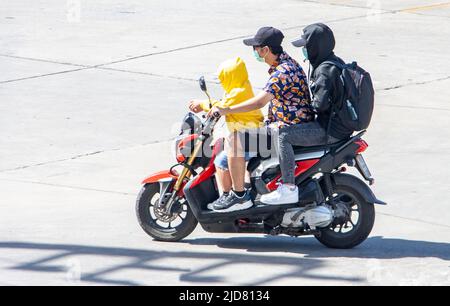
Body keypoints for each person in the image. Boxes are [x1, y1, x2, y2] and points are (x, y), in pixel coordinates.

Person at [208, 26, 314, 212]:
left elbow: (259, 102)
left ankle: (239, 196)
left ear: (266, 50)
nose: (255, 52)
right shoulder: (286, 65)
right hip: (285, 124)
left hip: (287, 128)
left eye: (256, 48)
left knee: (235, 140)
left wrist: (226, 109)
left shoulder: (282, 72)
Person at [260, 23, 354, 205]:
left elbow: (319, 105)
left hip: (329, 129)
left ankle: (288, 187)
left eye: (306, 46)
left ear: (315, 46)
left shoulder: (324, 71)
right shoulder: (333, 62)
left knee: (284, 135)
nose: (304, 50)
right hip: (338, 126)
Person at [188, 57, 264, 211]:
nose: (222, 81)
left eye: (223, 78)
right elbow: (222, 104)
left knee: (221, 162)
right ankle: (234, 193)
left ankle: (234, 196)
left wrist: (202, 104)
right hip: (252, 134)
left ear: (229, 76)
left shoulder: (239, 92)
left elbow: (221, 106)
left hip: (253, 136)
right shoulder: (240, 88)